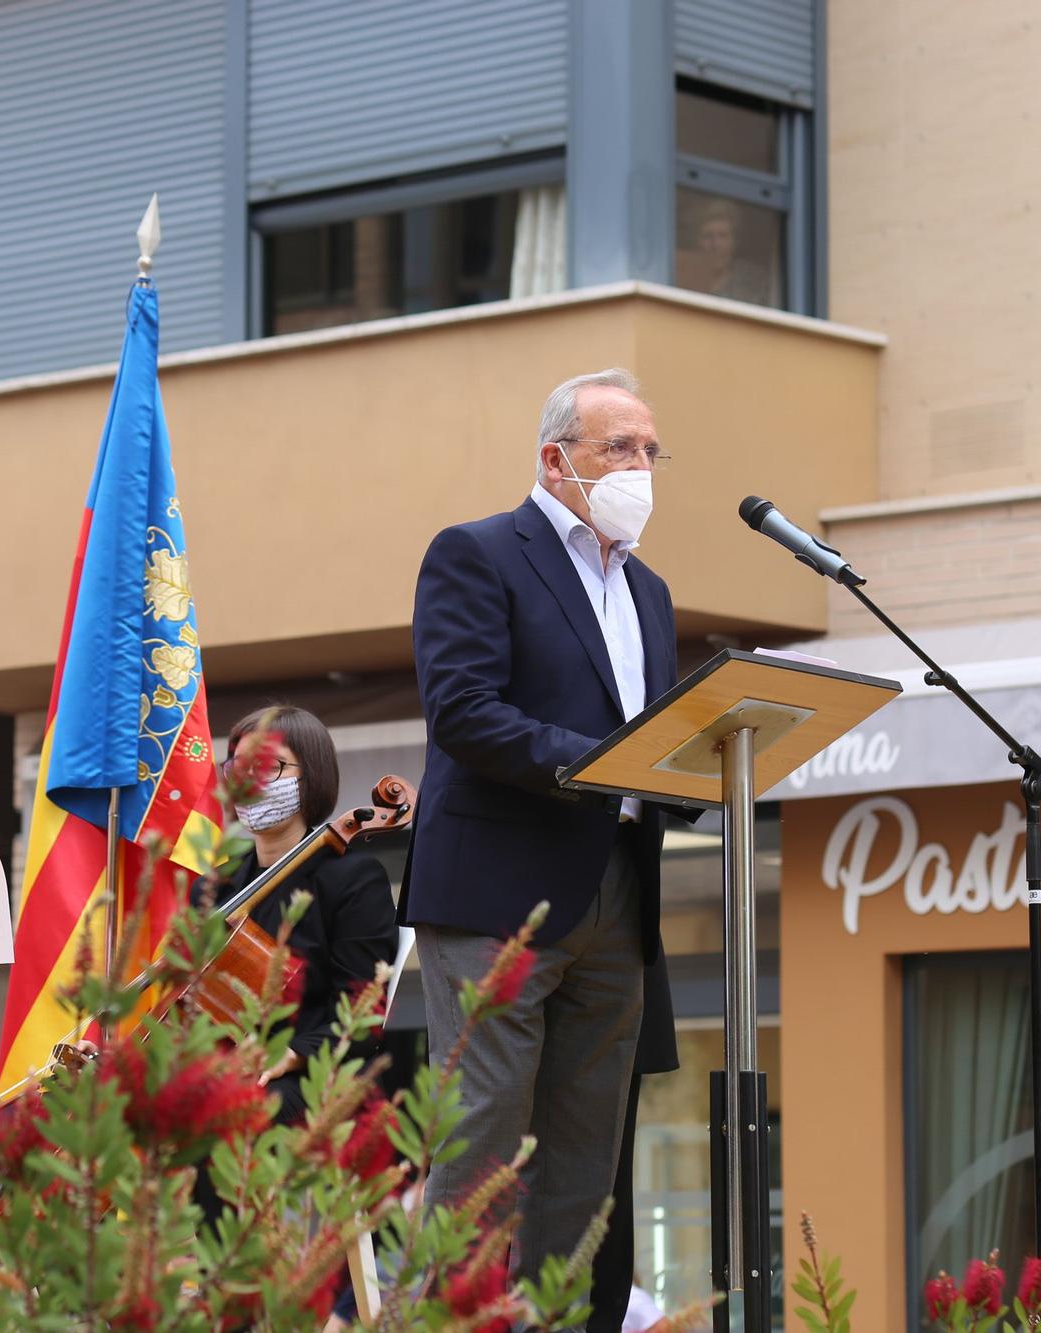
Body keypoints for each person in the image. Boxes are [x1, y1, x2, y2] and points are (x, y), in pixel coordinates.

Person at [402, 368, 681, 1314]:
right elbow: (466, 712)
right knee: (482, 1149)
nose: (640, 466)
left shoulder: (650, 592)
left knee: (584, 1163)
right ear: (557, 458)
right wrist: (612, 761)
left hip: (617, 893)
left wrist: (690, 766)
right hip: (497, 894)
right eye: (621, 448)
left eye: (650, 450)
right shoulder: (477, 554)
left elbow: (659, 737)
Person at [208, 705, 399, 1126]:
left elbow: (361, 1011)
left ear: (309, 775)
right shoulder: (219, 887)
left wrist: (290, 1054)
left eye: (269, 767)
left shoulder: (353, 879)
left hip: (311, 1075)